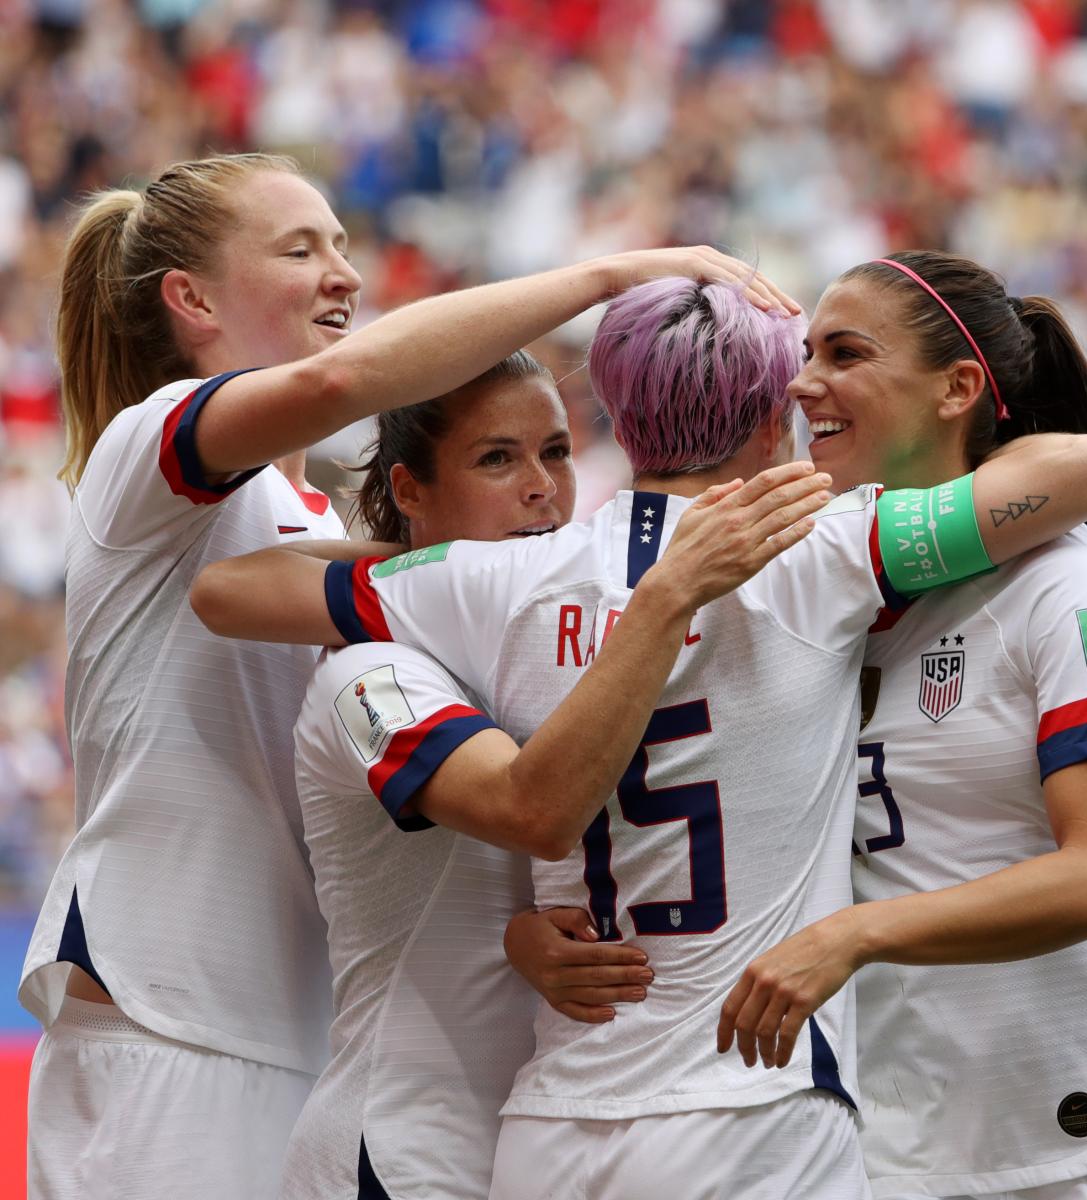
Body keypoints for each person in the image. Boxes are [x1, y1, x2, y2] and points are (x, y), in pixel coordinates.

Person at [191, 275, 1087, 1199]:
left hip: (552, 1119)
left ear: (618, 416)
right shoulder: (827, 546)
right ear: (768, 424)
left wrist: (441, 563)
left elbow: (228, 590)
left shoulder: (494, 582)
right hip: (748, 1106)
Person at [19, 147, 797, 1200]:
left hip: (297, 1025)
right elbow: (341, 386)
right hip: (169, 1016)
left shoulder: (336, 544)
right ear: (192, 299)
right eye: (300, 250)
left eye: (341, 244)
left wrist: (521, 934)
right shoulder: (145, 448)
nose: (343, 272)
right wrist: (610, 277)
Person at [274, 349, 832, 1199]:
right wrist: (512, 941)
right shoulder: (366, 673)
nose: (541, 487)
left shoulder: (562, 637)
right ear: (410, 490)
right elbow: (530, 810)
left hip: (544, 1139)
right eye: (497, 458)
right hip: (405, 1150)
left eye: (558, 452)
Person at [705, 251, 1087, 1199]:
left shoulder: (1063, 580)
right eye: (806, 355)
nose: (805, 383)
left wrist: (854, 934)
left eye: (846, 353)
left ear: (958, 388)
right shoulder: (818, 586)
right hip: (899, 1134)